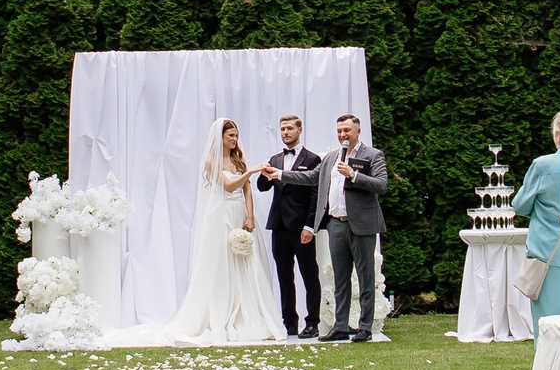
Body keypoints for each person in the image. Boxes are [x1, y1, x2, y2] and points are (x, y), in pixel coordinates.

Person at [153, 118, 285, 345]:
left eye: (236, 135)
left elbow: (247, 190)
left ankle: (252, 315)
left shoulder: (238, 158)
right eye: (230, 136)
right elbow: (228, 185)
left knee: (247, 262)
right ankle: (221, 314)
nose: (234, 139)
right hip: (222, 213)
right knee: (222, 262)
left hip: (239, 212)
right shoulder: (211, 161)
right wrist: (252, 170)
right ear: (220, 137)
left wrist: (250, 216)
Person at [283, 114, 386, 341]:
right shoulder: (331, 157)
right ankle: (340, 326)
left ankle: (365, 328)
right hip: (335, 224)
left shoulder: (373, 155)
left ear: (358, 132)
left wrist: (354, 175)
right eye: (339, 131)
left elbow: (382, 185)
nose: (342, 135)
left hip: (361, 225)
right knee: (341, 278)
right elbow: (311, 177)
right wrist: (281, 174)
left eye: (347, 131)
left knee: (365, 277)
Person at [256, 113, 323, 337]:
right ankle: (289, 323)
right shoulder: (275, 159)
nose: (285, 132)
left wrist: (310, 226)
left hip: (301, 226)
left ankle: (312, 322)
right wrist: (264, 174)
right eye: (283, 129)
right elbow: (263, 188)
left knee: (309, 274)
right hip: (279, 225)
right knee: (284, 275)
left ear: (299, 130)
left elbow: (316, 196)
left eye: (290, 129)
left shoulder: (312, 159)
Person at [512, 113, 560, 318]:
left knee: (547, 324)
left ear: (557, 134)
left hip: (546, 253)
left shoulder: (543, 165)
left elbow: (520, 205)